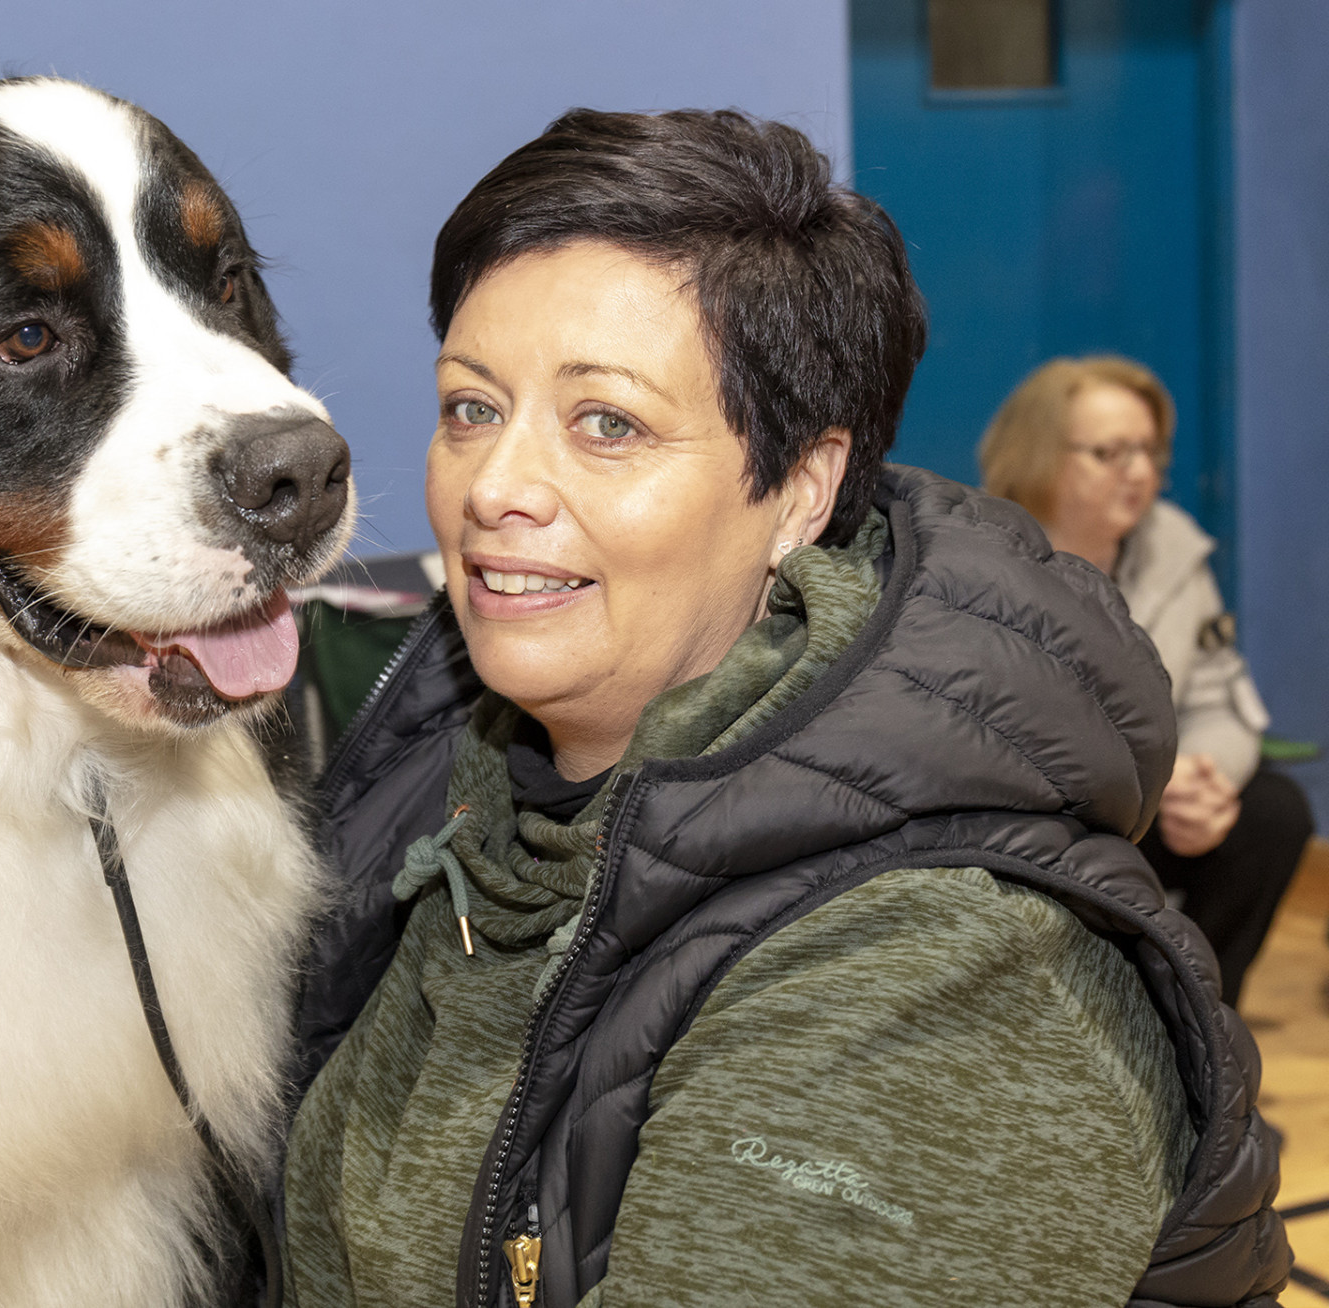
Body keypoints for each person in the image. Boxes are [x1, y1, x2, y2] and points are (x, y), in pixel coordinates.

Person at [284, 111, 1288, 1307]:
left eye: (608, 424)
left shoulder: (936, 992)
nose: (494, 486)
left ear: (802, 487)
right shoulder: (467, 791)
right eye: (472, 408)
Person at [979, 355, 1315, 1007]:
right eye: (1111, 453)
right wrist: (1144, 786)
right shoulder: (981, 558)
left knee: (1270, 812)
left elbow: (1223, 699)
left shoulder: (1176, 549)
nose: (1140, 473)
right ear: (1040, 453)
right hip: (1038, 822)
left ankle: (1200, 1021)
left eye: (1148, 451)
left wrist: (1203, 779)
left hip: (1148, 807)